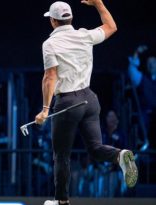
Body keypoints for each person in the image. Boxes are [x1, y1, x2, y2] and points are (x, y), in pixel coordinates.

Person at [34, 1, 138, 204]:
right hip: (89, 99)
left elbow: (50, 76)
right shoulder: (84, 35)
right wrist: (99, 3)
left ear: (53, 21)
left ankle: (61, 201)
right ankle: (120, 155)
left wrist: (45, 109)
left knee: (62, 155)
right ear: (70, 18)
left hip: (67, 102)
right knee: (96, 148)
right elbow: (111, 27)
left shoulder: (50, 44)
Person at [128, 45, 156, 149]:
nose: (151, 65)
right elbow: (131, 70)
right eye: (149, 63)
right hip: (147, 115)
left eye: (153, 62)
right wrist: (136, 53)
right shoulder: (143, 79)